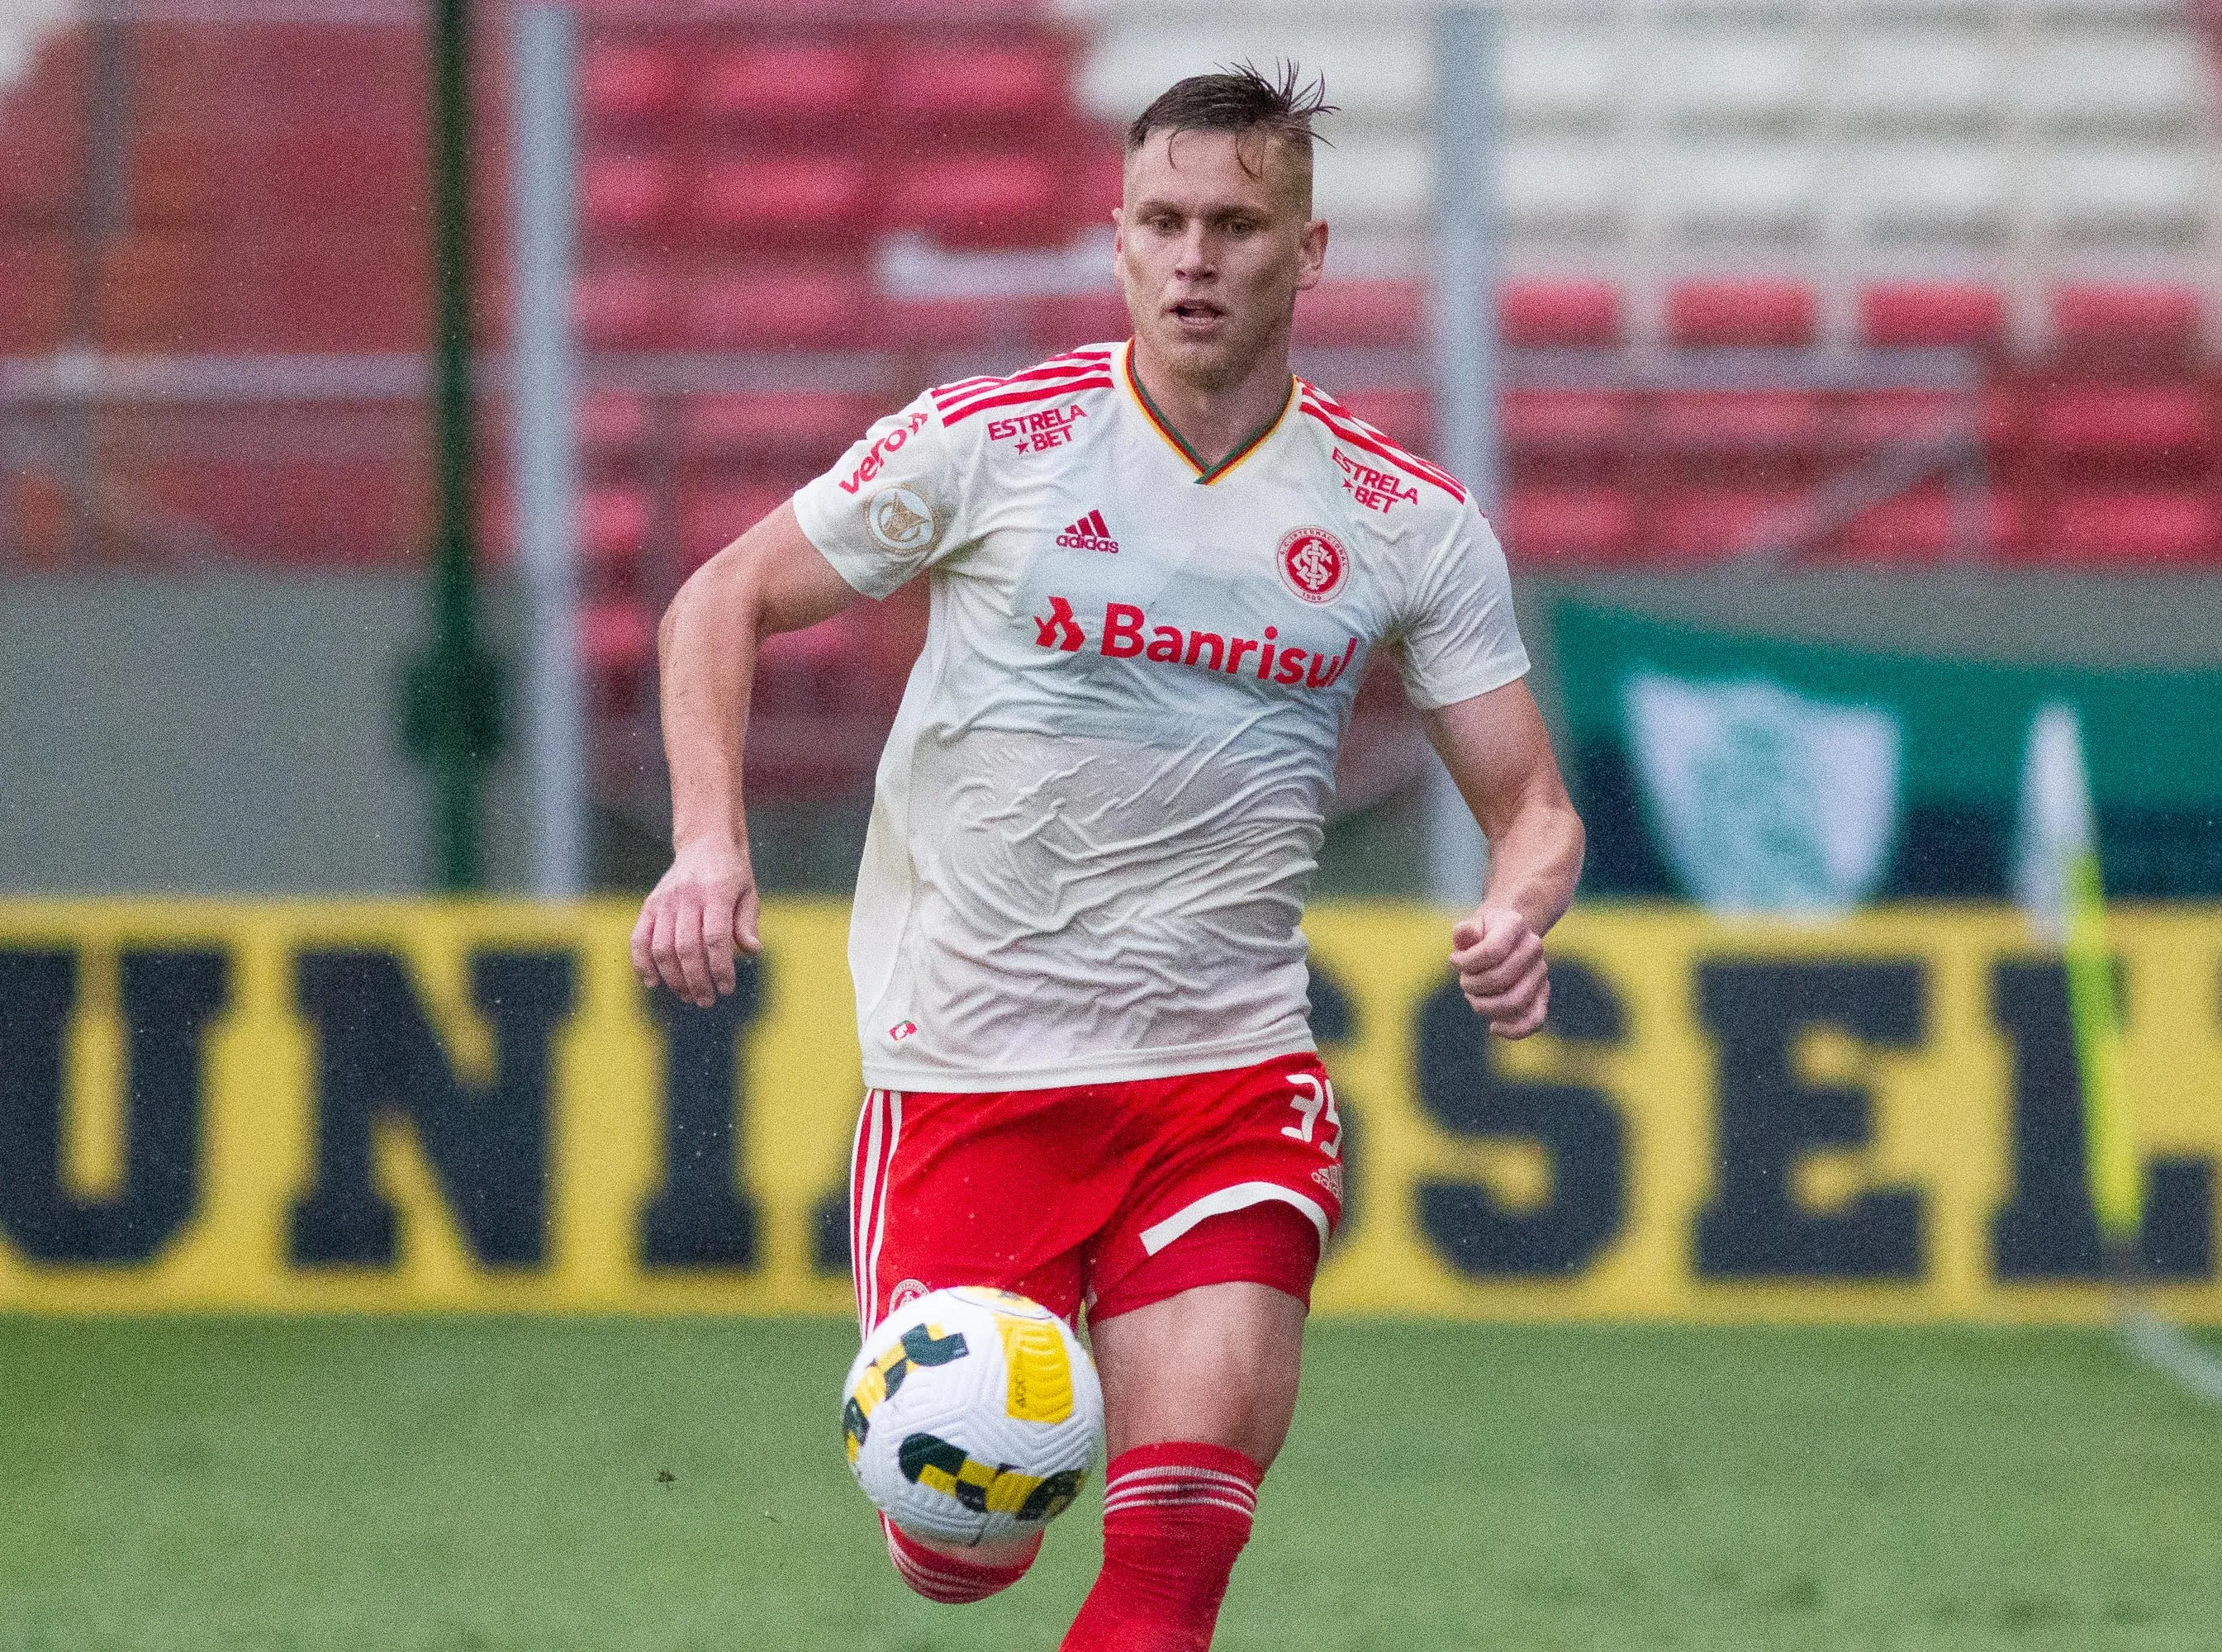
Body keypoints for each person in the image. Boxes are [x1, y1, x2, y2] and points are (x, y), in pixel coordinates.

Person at [631, 62, 1583, 1651]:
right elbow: (714, 601)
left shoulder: (1405, 521)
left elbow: (1534, 804)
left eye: (1235, 223)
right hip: (970, 1082)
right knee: (956, 1553)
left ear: (1310, 248)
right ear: (1117, 239)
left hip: (1226, 1088)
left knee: (1170, 1555)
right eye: (1163, 221)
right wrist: (707, 844)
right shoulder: (995, 445)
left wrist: (1515, 904)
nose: (1196, 256)